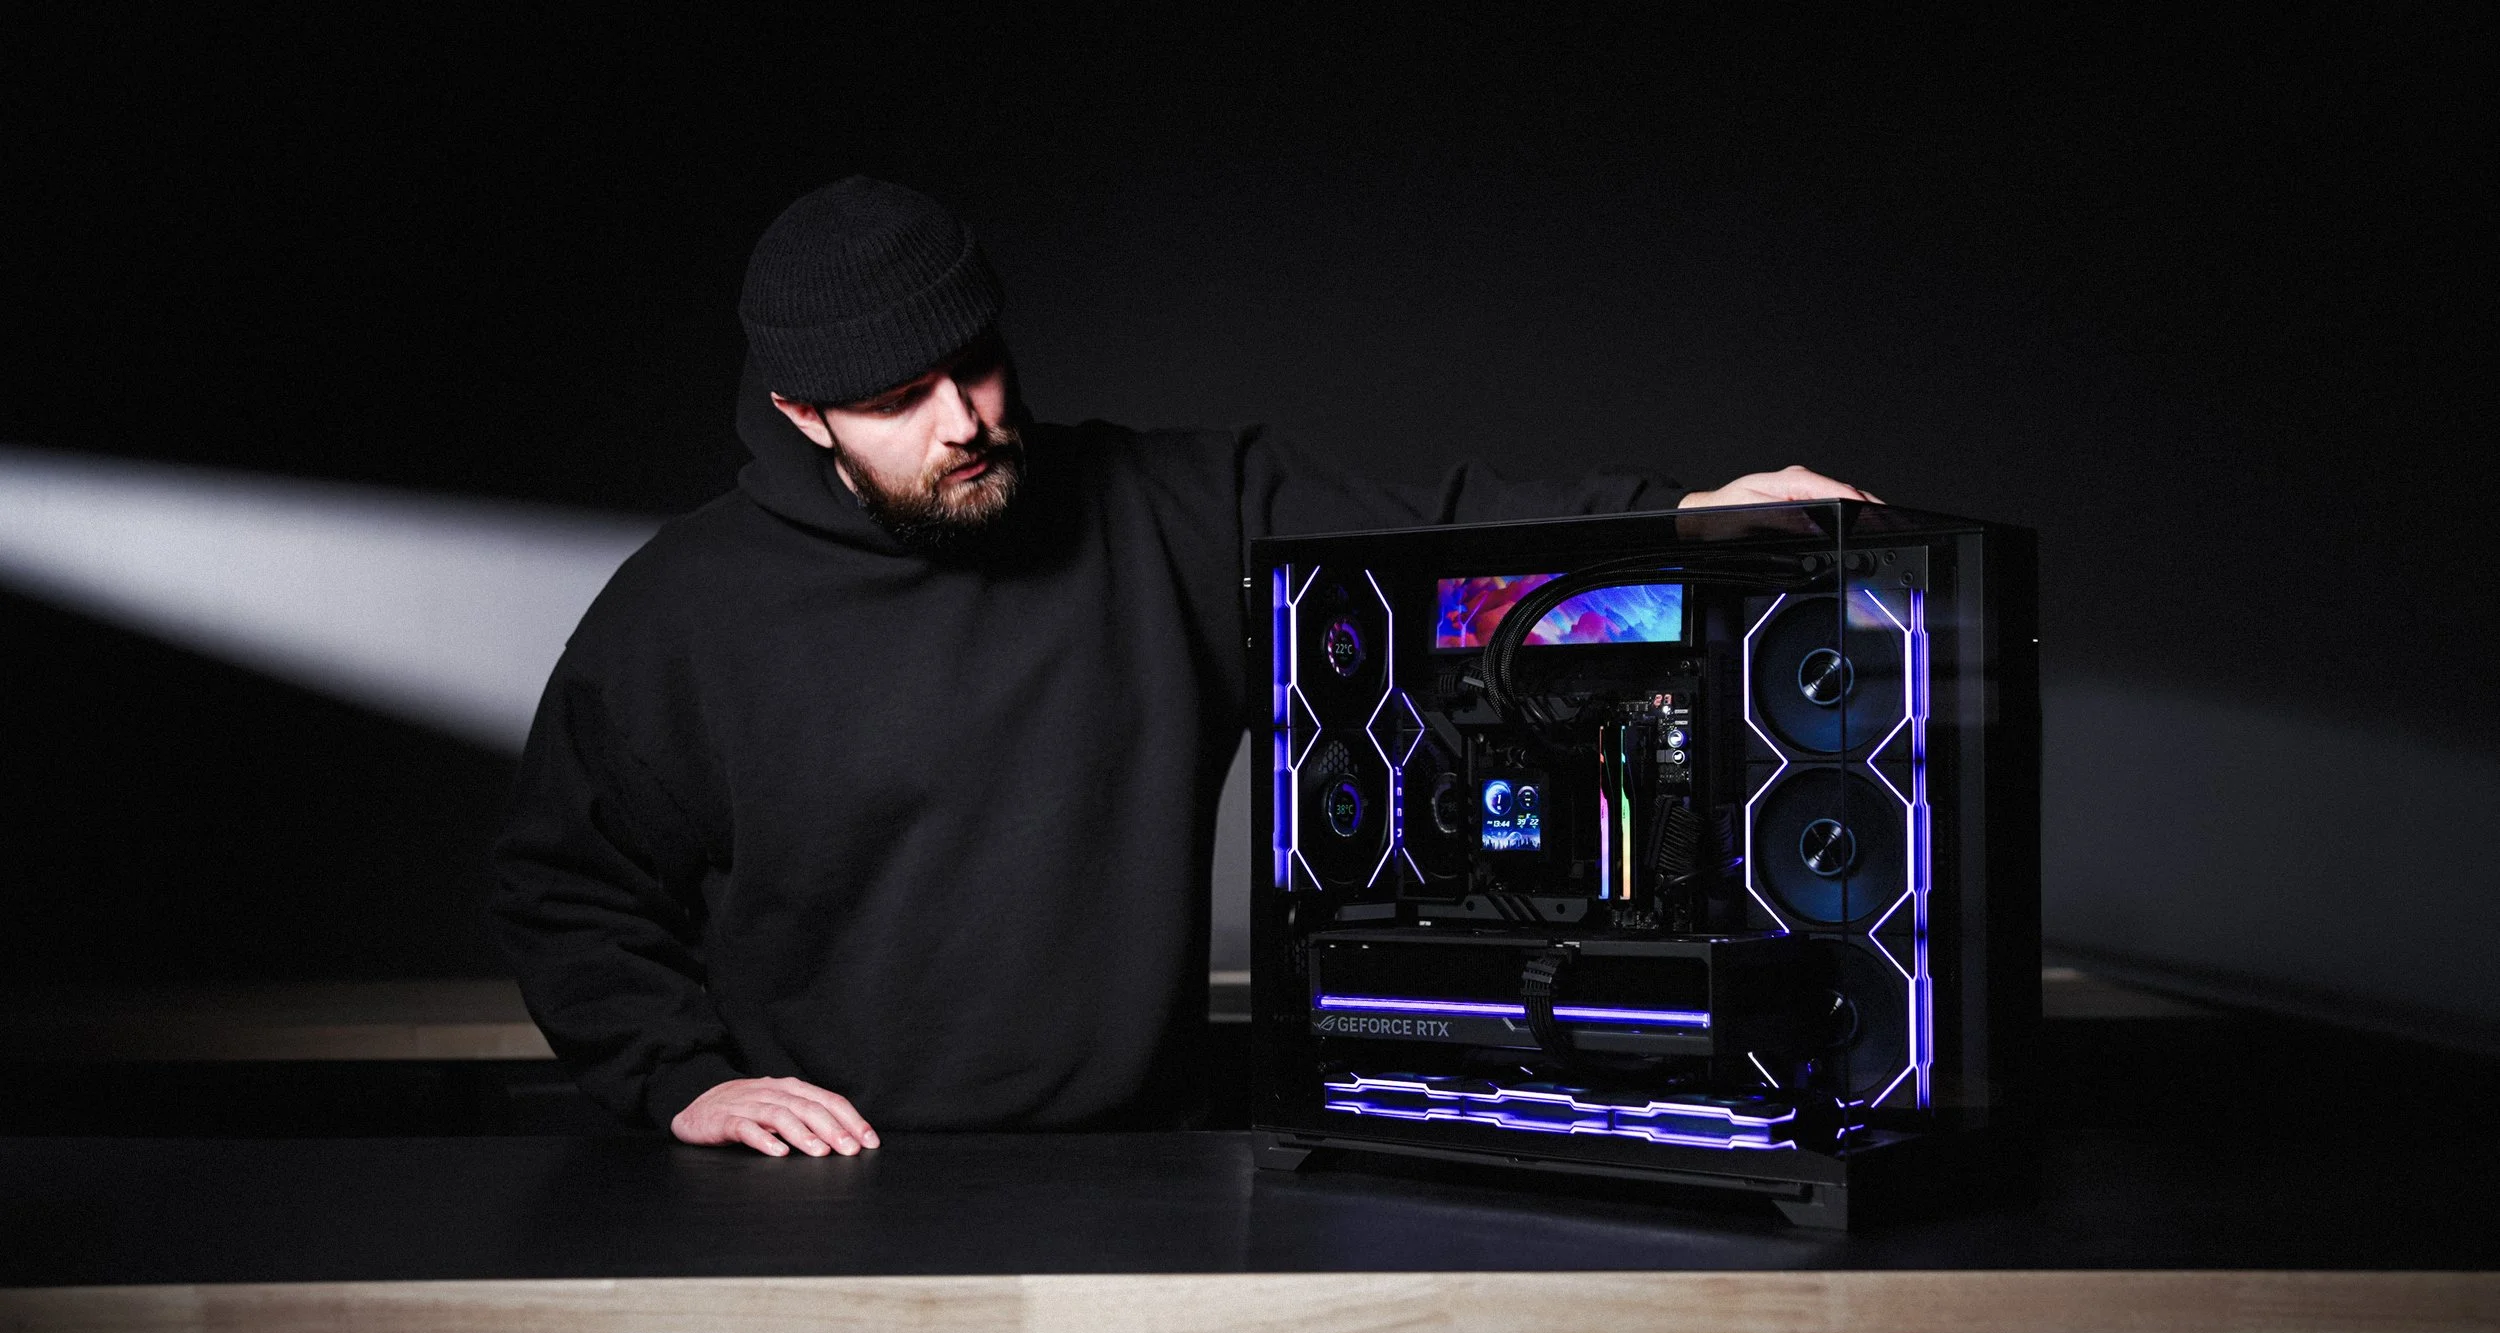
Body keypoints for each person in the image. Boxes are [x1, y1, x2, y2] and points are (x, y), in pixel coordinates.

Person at [488, 177, 1877, 1158]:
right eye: (899, 400)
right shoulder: (687, 606)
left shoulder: (1168, 510)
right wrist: (679, 1080)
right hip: (842, 1182)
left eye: (977, 366)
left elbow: (1440, 534)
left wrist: (1684, 517)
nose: (963, 421)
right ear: (805, 417)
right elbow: (568, 882)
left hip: (1145, 1162)